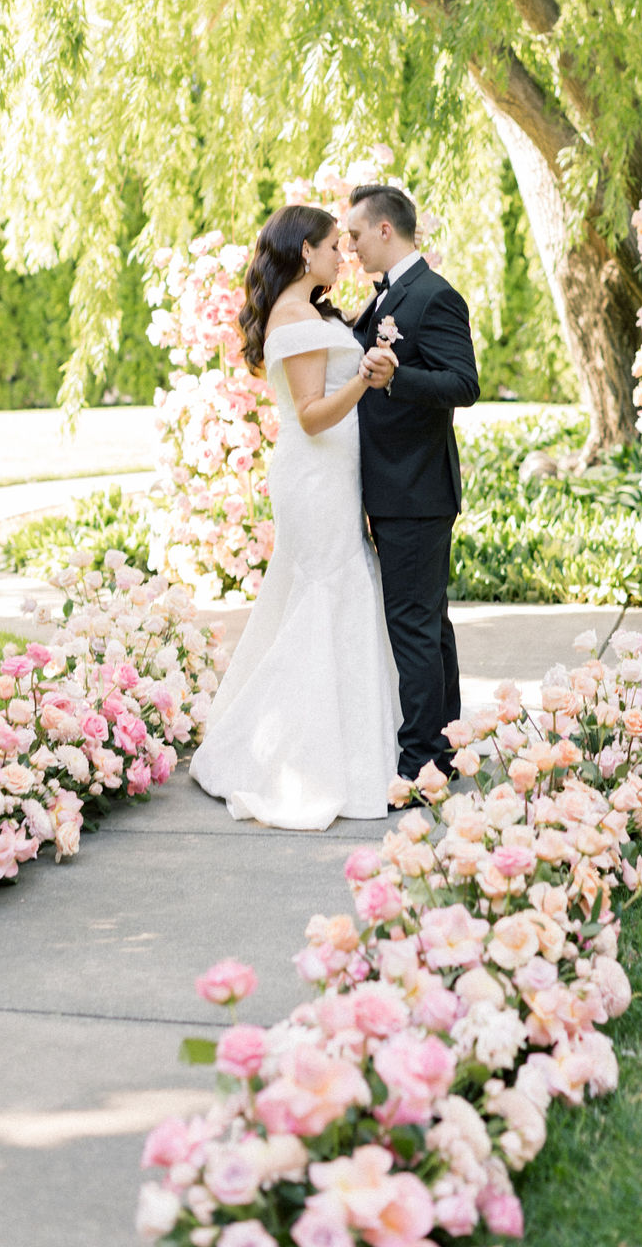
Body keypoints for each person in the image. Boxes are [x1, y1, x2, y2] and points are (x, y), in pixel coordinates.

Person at [190, 205, 401, 828]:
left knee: (334, 589)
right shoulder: (294, 315)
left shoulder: (307, 311)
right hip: (315, 475)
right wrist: (365, 378)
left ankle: (350, 745)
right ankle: (299, 757)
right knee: (326, 593)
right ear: (305, 252)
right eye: (336, 246)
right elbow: (311, 413)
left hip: (329, 473)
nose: (345, 256)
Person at [348, 184, 480, 783]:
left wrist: (398, 377)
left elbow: (462, 384)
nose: (350, 246)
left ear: (383, 229)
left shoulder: (433, 296)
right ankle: (444, 746)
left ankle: (420, 759)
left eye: (354, 235)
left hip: (416, 490)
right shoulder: (385, 298)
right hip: (399, 487)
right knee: (429, 623)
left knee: (414, 626)